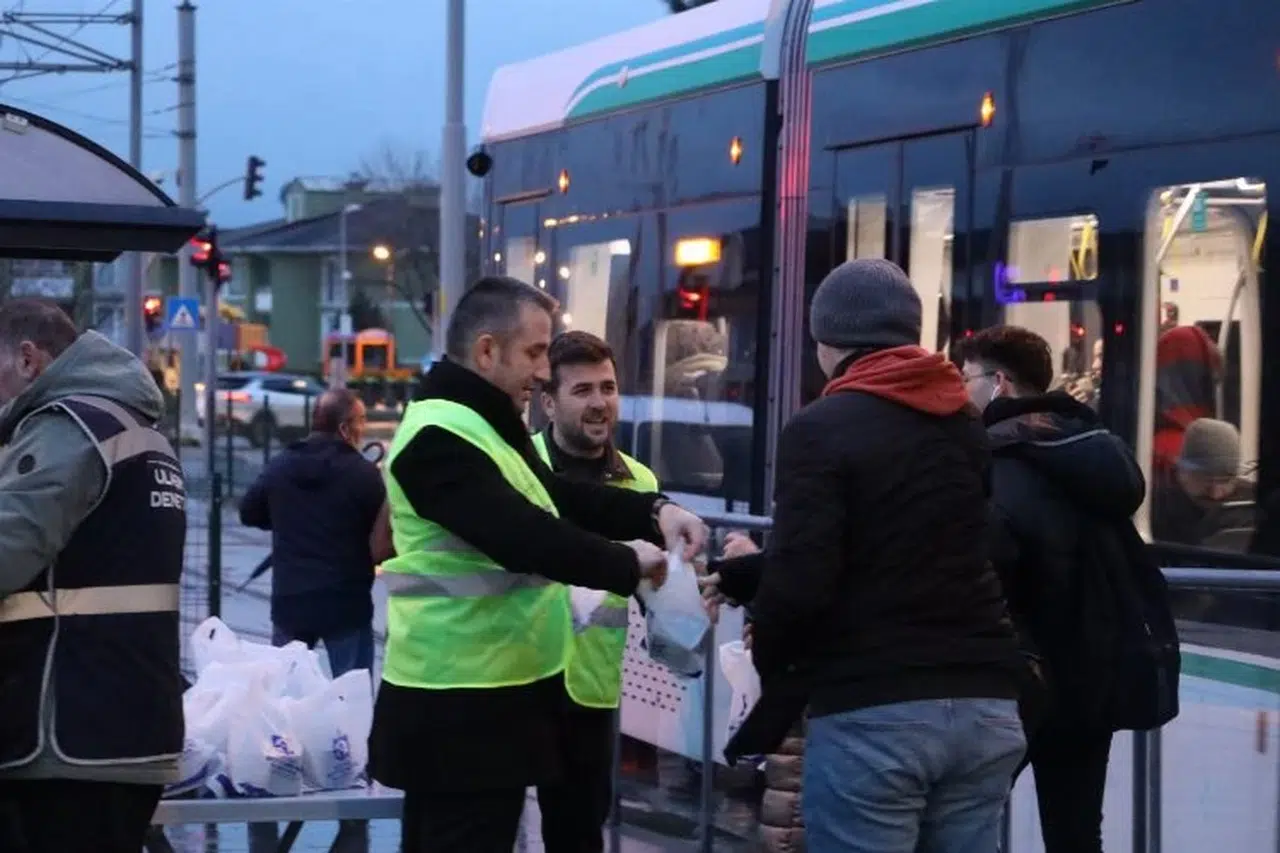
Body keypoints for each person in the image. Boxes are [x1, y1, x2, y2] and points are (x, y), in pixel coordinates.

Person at [368, 275, 707, 853]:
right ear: (485, 351)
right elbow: (525, 536)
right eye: (533, 352)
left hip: (487, 700)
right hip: (458, 706)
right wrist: (628, 565)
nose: (544, 370)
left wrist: (656, 510)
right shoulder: (439, 437)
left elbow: (560, 498)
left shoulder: (484, 427)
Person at [702, 258, 1025, 851]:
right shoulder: (965, 423)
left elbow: (804, 582)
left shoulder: (820, 427)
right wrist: (752, 574)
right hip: (986, 707)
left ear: (827, 342)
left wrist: (777, 672)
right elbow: (914, 547)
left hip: (876, 713)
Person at [0, 299, 185, 853]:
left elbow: (9, 544)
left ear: (29, 359)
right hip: (126, 724)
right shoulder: (135, 428)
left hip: (66, 729)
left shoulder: (67, 431)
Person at [958, 324, 1146, 853]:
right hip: (1090, 673)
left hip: (1016, 676)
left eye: (966, 376)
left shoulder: (995, 460)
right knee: (1076, 830)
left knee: (963, 820)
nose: (960, 388)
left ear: (999, 384)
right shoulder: (1090, 451)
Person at [517, 330, 661, 852]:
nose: (600, 403)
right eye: (583, 391)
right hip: (516, 680)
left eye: (608, 387)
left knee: (578, 836)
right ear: (549, 403)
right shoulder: (517, 471)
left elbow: (654, 588)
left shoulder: (640, 484)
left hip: (590, 693)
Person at [239, 388, 384, 853]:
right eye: (360, 422)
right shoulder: (364, 475)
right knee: (352, 694)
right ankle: (351, 775)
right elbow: (380, 537)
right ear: (345, 427)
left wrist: (287, 520)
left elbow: (249, 510)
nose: (363, 432)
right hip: (344, 601)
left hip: (293, 600)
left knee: (281, 697)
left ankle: (278, 768)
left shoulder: (282, 465)